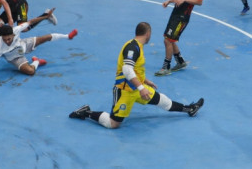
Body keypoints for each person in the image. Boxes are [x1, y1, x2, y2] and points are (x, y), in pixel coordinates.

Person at [69, 22, 204, 129]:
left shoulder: (137, 46)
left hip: (137, 88)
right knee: (113, 124)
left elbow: (135, 69)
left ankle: (190, 109)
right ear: (148, 33)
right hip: (125, 91)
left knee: (164, 101)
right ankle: (86, 112)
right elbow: (127, 70)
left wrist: (145, 81)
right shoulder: (132, 48)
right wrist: (141, 87)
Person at [0, 9, 78, 84]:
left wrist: (46, 16)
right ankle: (36, 61)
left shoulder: (15, 29)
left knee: (45, 38)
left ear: (13, 34)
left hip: (23, 45)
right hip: (15, 58)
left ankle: (67, 36)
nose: (7, 41)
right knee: (31, 71)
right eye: (4, 39)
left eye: (9, 38)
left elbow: (31, 22)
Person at [154, 0, 203, 76]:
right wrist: (170, 1)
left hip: (182, 17)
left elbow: (200, 2)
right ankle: (180, 62)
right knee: (170, 39)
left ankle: (166, 66)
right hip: (175, 13)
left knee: (167, 40)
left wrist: (185, 0)